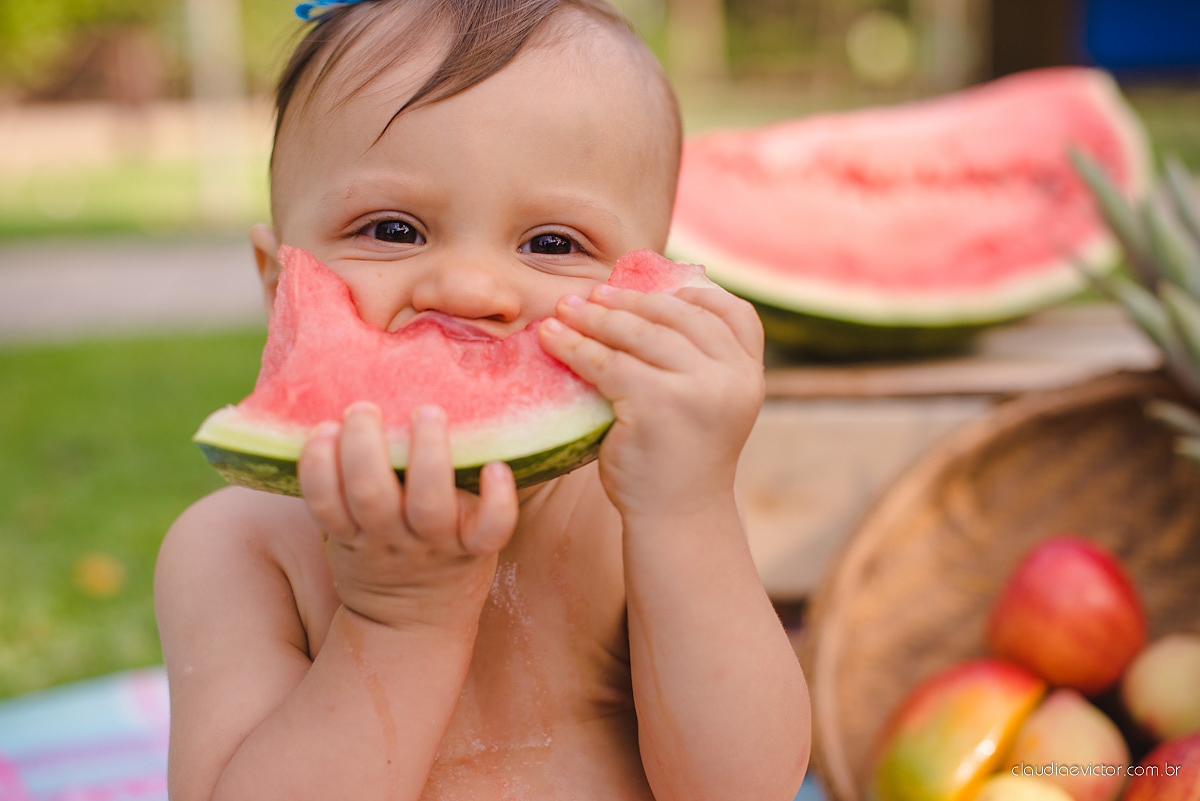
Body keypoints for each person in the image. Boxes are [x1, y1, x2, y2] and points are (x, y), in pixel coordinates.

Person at [154, 0, 811, 799]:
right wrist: (398, 620)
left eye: (552, 243)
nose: (469, 288)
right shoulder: (240, 551)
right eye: (393, 229)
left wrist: (690, 508)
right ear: (280, 285)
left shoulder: (638, 515)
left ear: (650, 294)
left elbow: (744, 787)